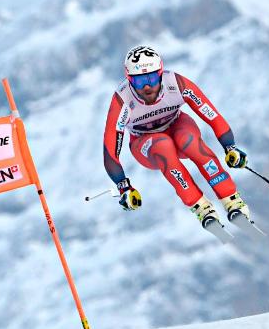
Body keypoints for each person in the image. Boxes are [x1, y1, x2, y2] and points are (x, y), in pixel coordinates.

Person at [101, 44, 253, 235]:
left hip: (177, 125)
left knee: (188, 139)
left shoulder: (176, 84)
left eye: (151, 78)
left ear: (161, 72)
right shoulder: (123, 100)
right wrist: (124, 187)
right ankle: (201, 208)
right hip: (144, 143)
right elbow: (109, 149)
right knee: (163, 146)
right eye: (139, 82)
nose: (147, 86)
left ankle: (232, 200)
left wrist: (230, 147)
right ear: (129, 80)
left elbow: (212, 115)